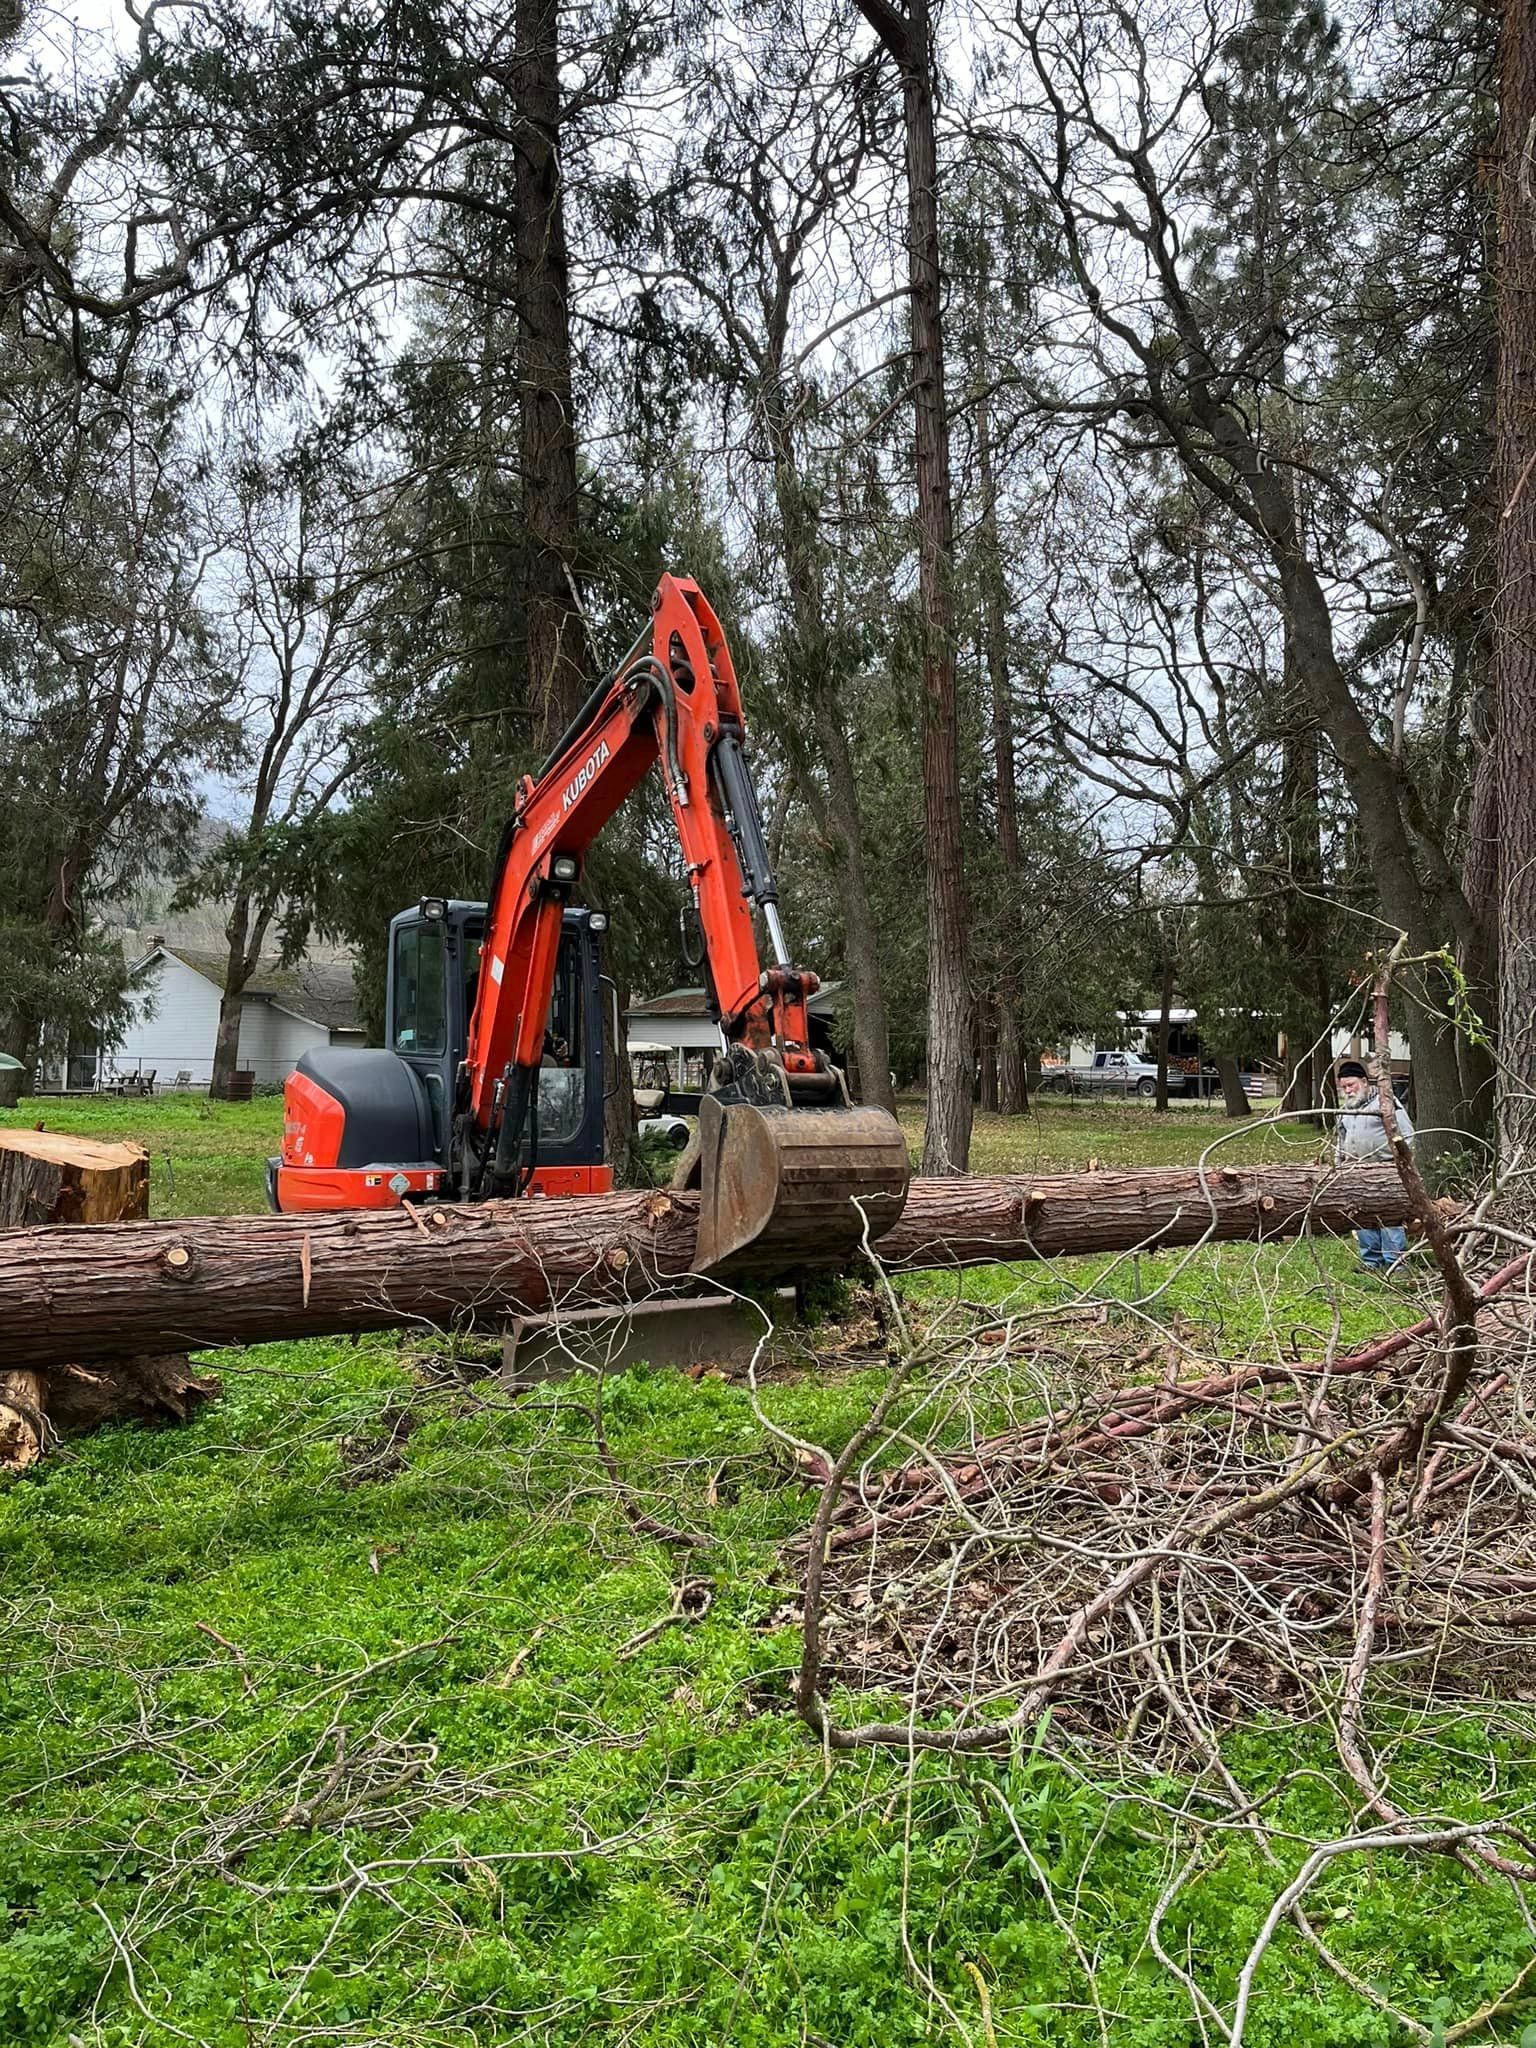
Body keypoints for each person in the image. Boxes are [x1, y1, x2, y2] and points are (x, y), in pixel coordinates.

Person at [1336, 1058, 1413, 1272]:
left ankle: (1395, 1264)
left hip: (1386, 1168)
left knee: (1388, 1217)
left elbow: (1407, 1134)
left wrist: (1402, 1164)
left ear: (1364, 1081)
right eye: (1344, 1087)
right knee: (1362, 1215)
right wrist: (1339, 1166)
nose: (1348, 1090)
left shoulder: (1386, 1103)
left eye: (1351, 1085)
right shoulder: (1346, 1109)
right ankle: (1371, 1261)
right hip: (1357, 1170)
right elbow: (1341, 1140)